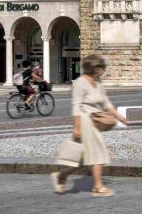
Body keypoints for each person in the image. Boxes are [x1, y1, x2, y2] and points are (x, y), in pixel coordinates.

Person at [51, 54, 128, 197]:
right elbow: (76, 106)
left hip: (96, 120)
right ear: (93, 68)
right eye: (100, 67)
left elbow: (105, 102)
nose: (102, 70)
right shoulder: (80, 82)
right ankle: (98, 187)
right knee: (98, 152)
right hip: (85, 120)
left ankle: (61, 176)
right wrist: (77, 127)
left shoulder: (98, 82)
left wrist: (119, 116)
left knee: (82, 159)